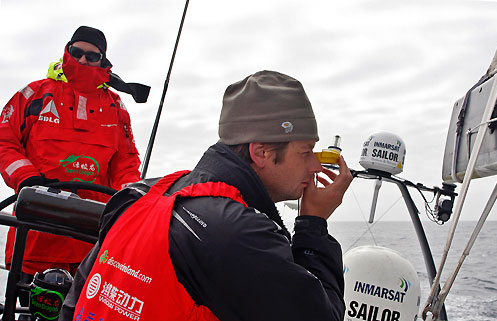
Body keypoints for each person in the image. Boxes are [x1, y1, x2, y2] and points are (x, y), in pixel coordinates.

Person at [59, 70, 352, 321]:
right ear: (261, 152)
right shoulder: (238, 233)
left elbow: (74, 303)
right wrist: (313, 224)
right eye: (305, 152)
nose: (314, 166)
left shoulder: (139, 194)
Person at [0, 26, 149, 309]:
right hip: (33, 241)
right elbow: (4, 142)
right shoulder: (34, 94)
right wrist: (26, 178)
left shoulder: (116, 108)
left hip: (92, 248)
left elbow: (126, 164)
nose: (82, 60)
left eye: (91, 56)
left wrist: (131, 199)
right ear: (67, 51)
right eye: (76, 52)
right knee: (25, 311)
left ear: (103, 61)